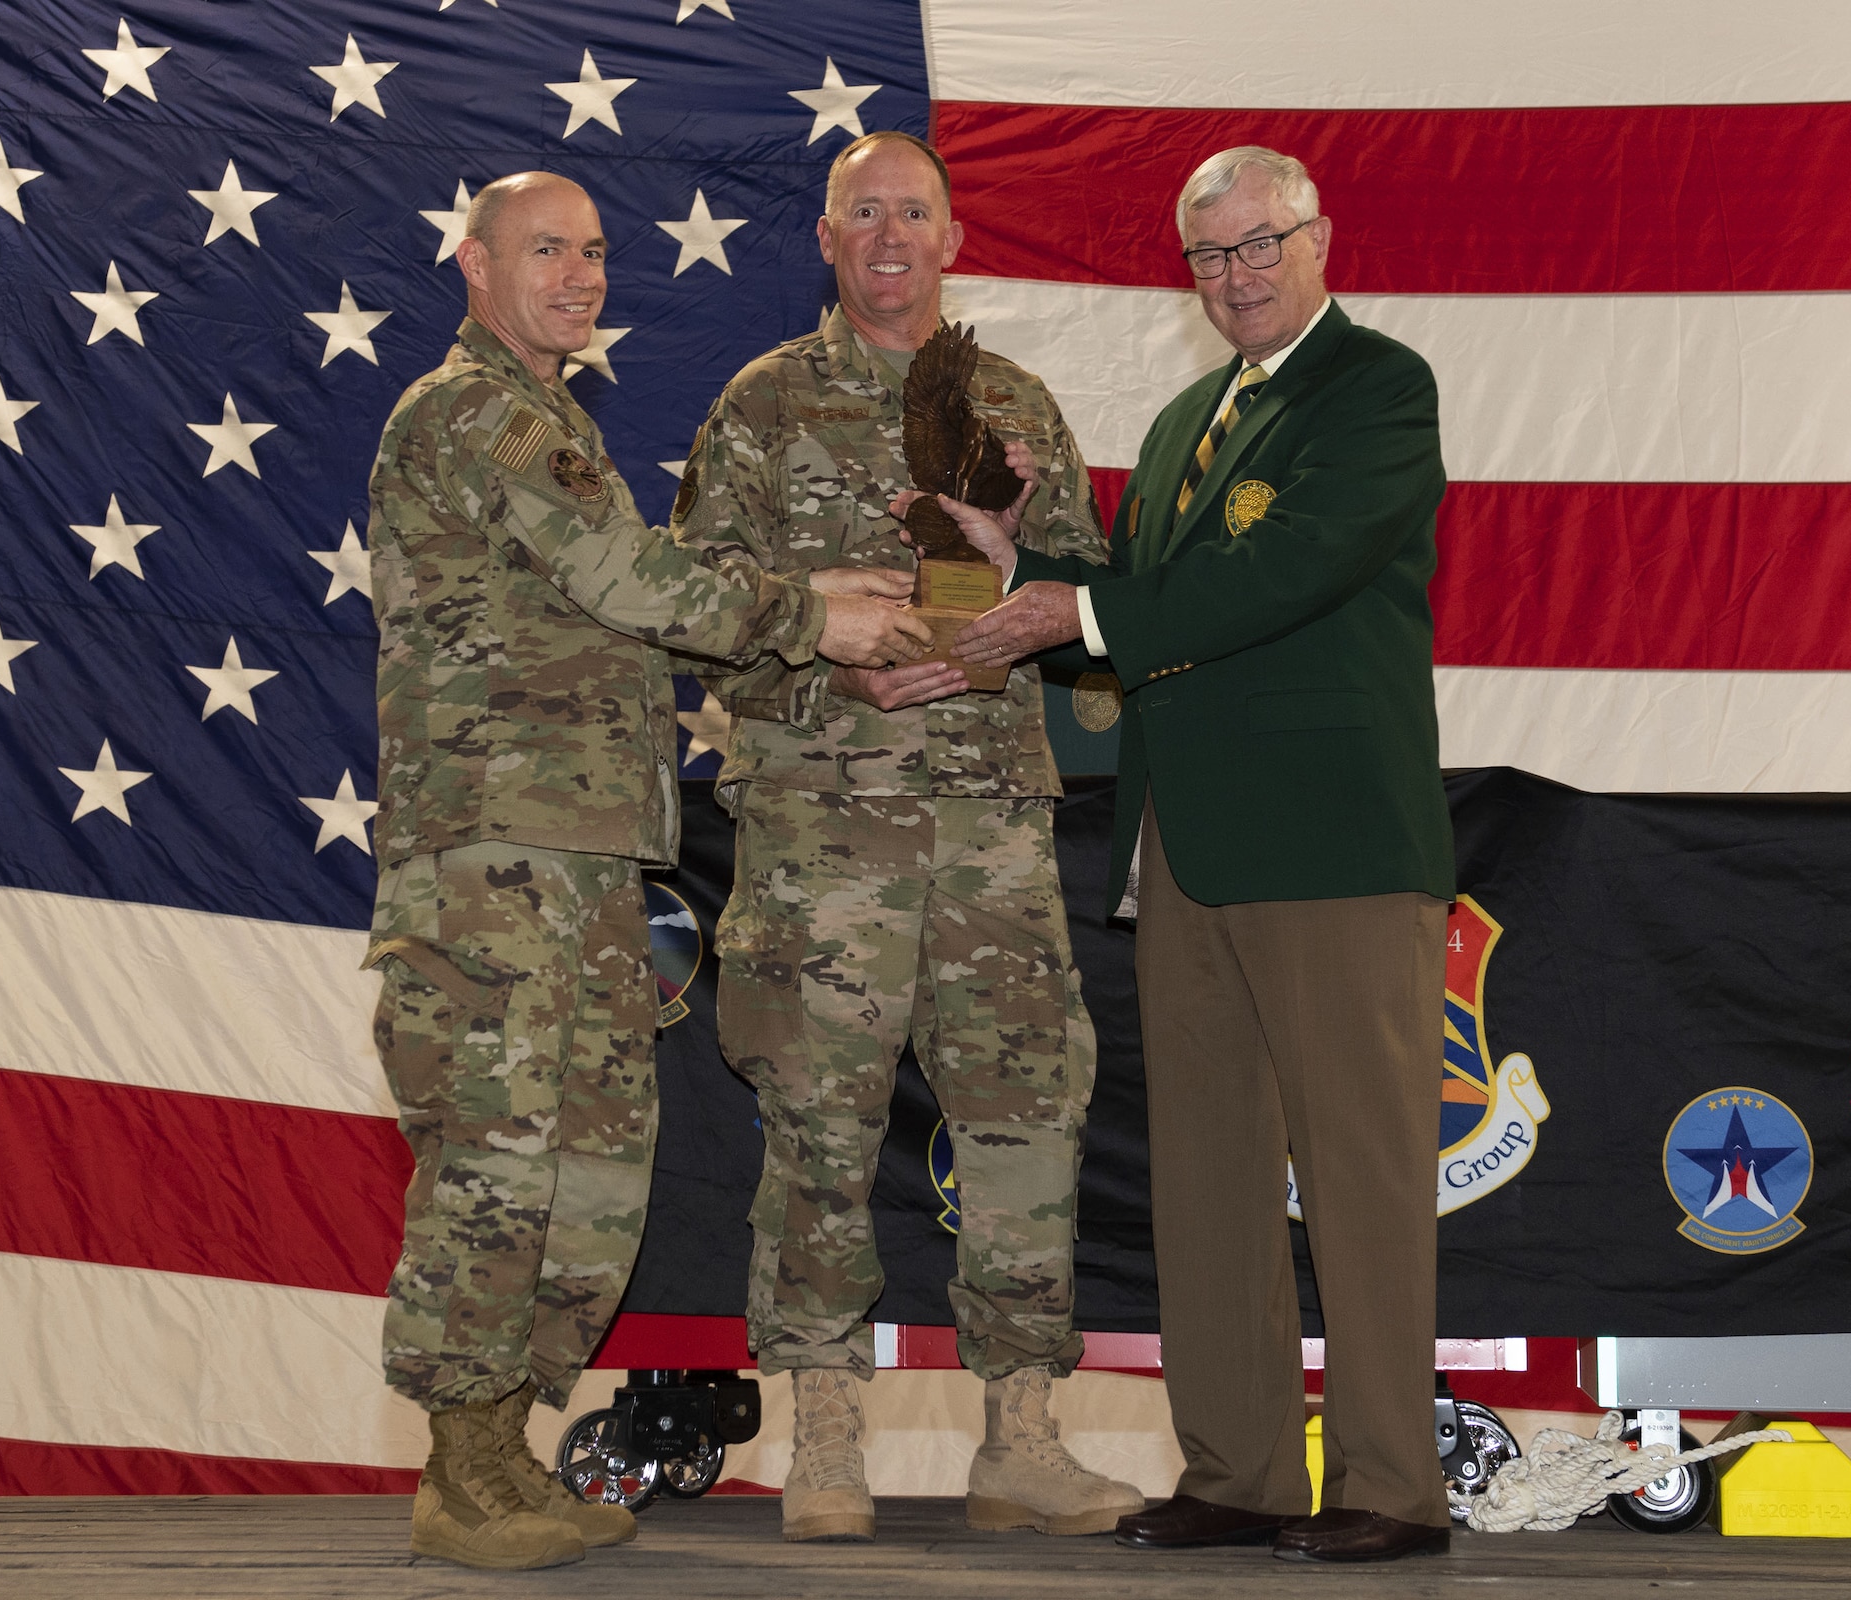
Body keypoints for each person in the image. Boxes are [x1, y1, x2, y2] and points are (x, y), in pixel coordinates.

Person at [364, 170, 931, 1571]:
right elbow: (632, 585)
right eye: (544, 249)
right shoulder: (475, 413)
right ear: (474, 267)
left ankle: (502, 1448)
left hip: (585, 862)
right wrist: (818, 617)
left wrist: (825, 615)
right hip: (497, 857)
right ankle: (461, 1471)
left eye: (596, 252)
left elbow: (629, 601)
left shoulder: (554, 420)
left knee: (591, 1166)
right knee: (497, 1162)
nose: (579, 274)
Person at [941, 146, 1457, 1564]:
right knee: (1208, 1174)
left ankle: (1391, 1488)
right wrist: (1011, 568)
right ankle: (1235, 1470)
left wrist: (1079, 615)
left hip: (1338, 845)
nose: (1237, 277)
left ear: (1319, 239)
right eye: (1211, 258)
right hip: (1187, 850)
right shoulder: (1177, 427)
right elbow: (1132, 609)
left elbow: (1279, 577)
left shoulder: (1377, 391)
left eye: (1259, 245)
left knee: (1358, 1178)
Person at [670, 130, 1144, 1545]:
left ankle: (1021, 1437)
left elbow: (1096, 608)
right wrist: (835, 663)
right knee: (819, 1129)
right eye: (862, 212)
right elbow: (698, 616)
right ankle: (823, 1438)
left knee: (1026, 1119)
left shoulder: (1016, 407)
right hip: (824, 840)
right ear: (825, 239)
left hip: (994, 830)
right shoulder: (760, 408)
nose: (889, 235)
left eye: (914, 213)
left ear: (951, 238)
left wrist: (1009, 615)